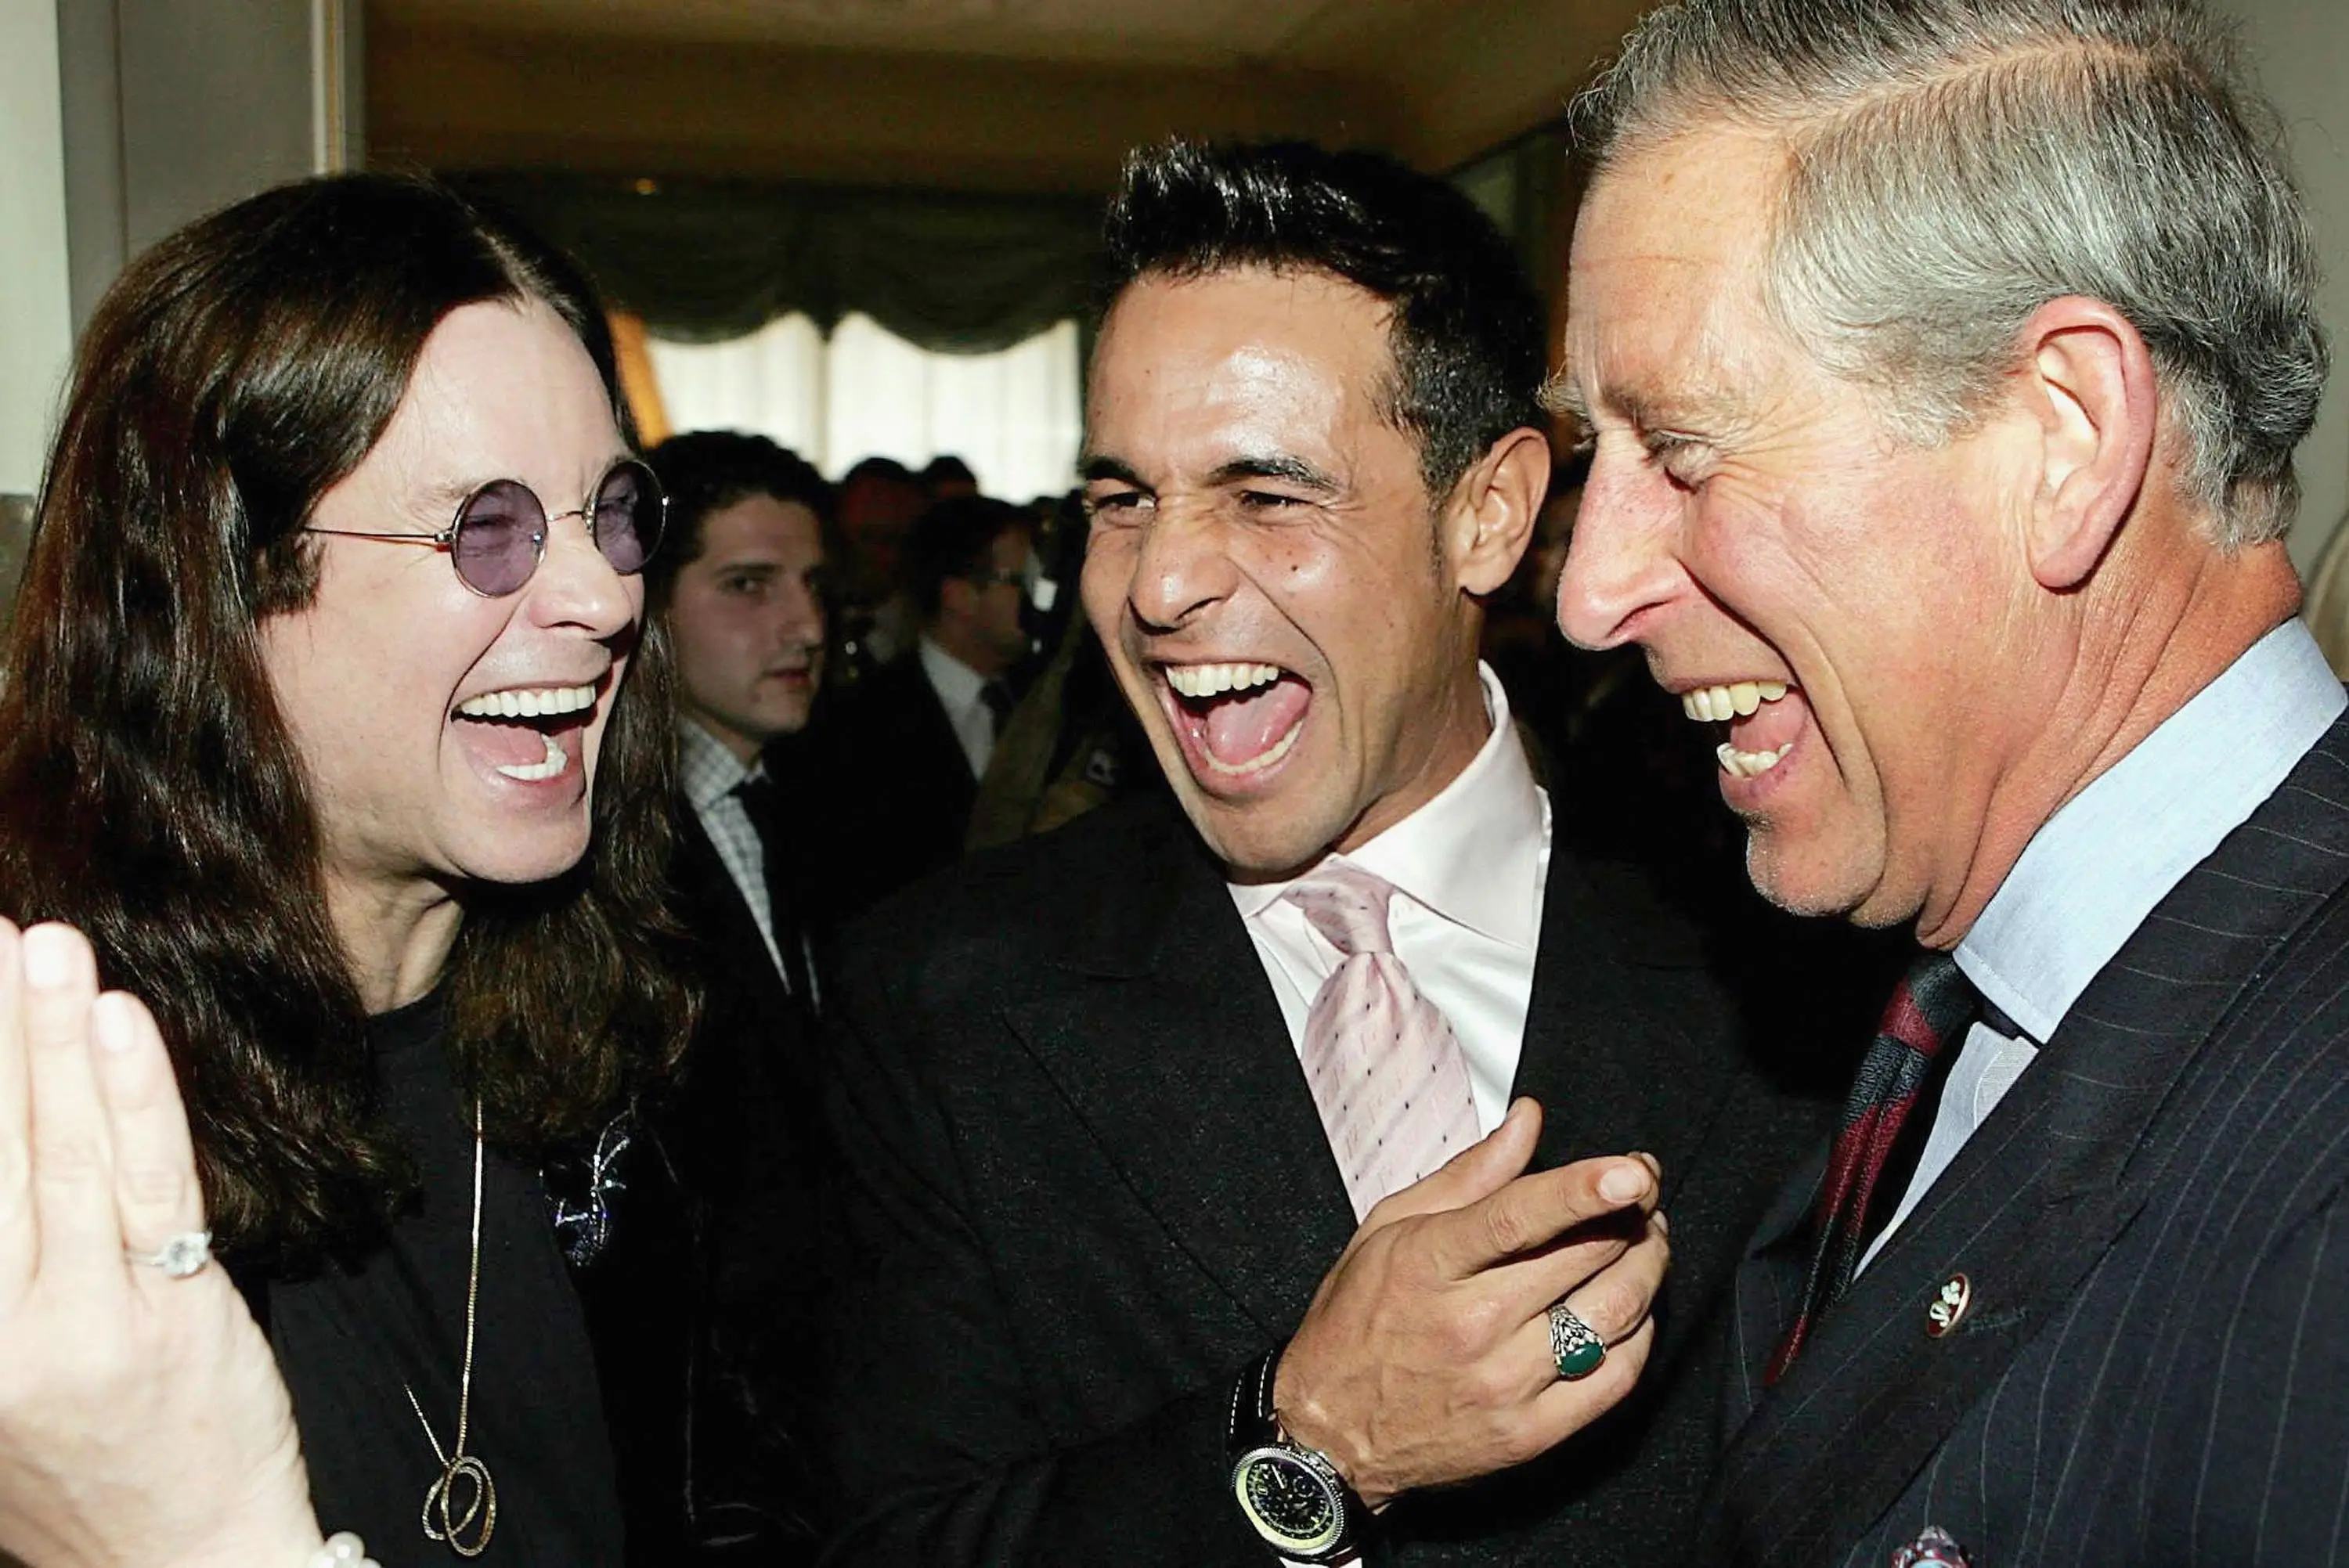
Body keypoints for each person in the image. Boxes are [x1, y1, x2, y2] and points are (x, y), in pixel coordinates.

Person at [814, 138, 1829, 1565]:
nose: (1160, 584)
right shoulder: (935, 998)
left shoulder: (1797, 962)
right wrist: (1307, 1440)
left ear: (1487, 512)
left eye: (1266, 494)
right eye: (1120, 500)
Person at [1553, 0, 2344, 1559]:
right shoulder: (1948, 982)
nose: (1590, 588)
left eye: (1687, 449)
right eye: (1596, 451)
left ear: (2064, 435)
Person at [0, 171, 694, 1566]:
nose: (605, 592)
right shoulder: (47, 1125)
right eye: (486, 526)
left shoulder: (636, 1043)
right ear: (223, 579)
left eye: (613, 514)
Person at [577, 430, 841, 1562]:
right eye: (748, 586)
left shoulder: (813, 806)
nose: (807, 626)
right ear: (646, 606)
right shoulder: (590, 853)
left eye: (816, 586)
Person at [821, 494, 1035, 910]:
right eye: (1017, 581)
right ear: (959, 597)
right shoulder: (865, 725)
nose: (1036, 599)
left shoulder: (1040, 701)